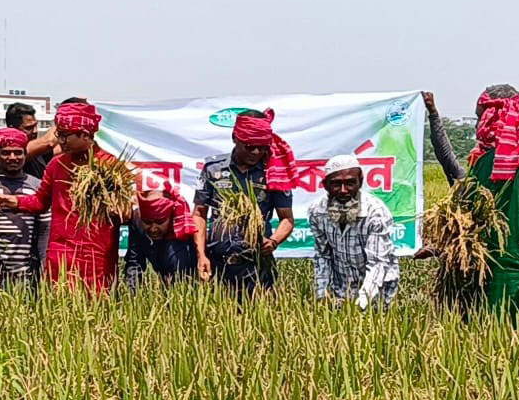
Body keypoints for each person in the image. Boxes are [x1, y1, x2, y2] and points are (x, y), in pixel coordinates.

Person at [424, 86, 519, 325]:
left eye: (483, 117)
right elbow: (466, 216)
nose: (478, 125)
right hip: (485, 275)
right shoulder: (481, 164)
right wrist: (440, 244)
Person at [0, 100, 125, 292]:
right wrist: (13, 201)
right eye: (59, 135)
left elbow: (124, 212)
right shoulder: (56, 166)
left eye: (65, 136)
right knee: (58, 310)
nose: (61, 141)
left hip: (96, 255)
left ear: (85, 134)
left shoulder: (109, 167)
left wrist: (118, 209)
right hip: (61, 253)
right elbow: (40, 202)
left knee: (98, 308)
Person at [193, 109, 297, 295]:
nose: (256, 152)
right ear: (235, 138)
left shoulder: (273, 171)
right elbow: (199, 214)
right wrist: (201, 255)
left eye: (262, 146)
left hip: (257, 267)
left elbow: (287, 219)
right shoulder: (214, 169)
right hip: (218, 265)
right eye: (249, 146)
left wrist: (273, 242)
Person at [309, 155, 400, 309]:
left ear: (360, 182)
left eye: (350, 183)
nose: (344, 191)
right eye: (336, 184)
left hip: (378, 290)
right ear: (325, 185)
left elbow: (378, 262)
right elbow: (323, 255)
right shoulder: (317, 212)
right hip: (341, 288)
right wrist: (322, 293)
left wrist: (362, 303)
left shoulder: (375, 212)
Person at [0, 126, 48, 286]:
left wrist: (44, 266)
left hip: (23, 271)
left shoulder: (38, 186)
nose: (12, 157)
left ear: (25, 155)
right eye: (6, 152)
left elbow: (44, 231)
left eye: (18, 152)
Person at [123, 184, 197, 289]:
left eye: (160, 222)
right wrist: (133, 299)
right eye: (147, 222)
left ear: (170, 217)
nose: (153, 229)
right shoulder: (137, 221)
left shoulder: (181, 230)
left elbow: (182, 279)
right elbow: (134, 262)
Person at [5, 102, 57, 180]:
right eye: (29, 128)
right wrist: (67, 118)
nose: (35, 131)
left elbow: (64, 147)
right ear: (12, 129)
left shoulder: (40, 152)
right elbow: (49, 142)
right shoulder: (13, 150)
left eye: (36, 125)